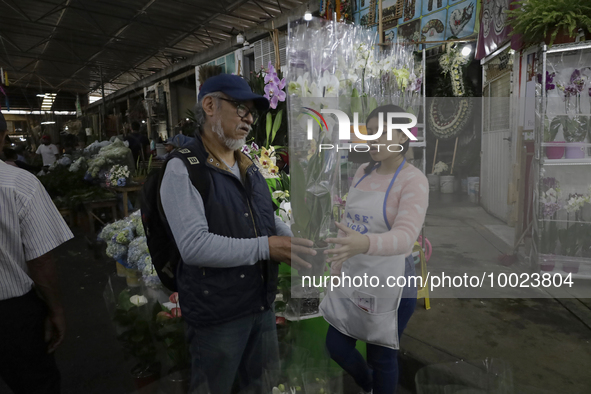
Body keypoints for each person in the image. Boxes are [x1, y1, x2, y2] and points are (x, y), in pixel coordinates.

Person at [159, 74, 315, 394]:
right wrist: (266, 248)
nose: (248, 119)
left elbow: (266, 218)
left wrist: (294, 242)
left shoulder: (248, 165)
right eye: (240, 108)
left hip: (260, 304)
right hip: (219, 315)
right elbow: (194, 246)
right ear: (210, 105)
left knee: (262, 385)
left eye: (251, 113)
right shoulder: (184, 168)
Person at [320, 105, 429, 394]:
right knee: (336, 345)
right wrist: (337, 267)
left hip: (392, 280)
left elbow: (405, 238)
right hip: (356, 274)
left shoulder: (414, 180)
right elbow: (349, 222)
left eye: (382, 132)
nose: (373, 140)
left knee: (381, 356)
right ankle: (367, 385)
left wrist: (364, 244)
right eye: (370, 132)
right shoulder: (362, 171)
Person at [0, 111, 74, 394]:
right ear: (4, 137)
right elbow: (41, 260)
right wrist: (55, 309)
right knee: (36, 386)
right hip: (11, 314)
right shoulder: (19, 184)